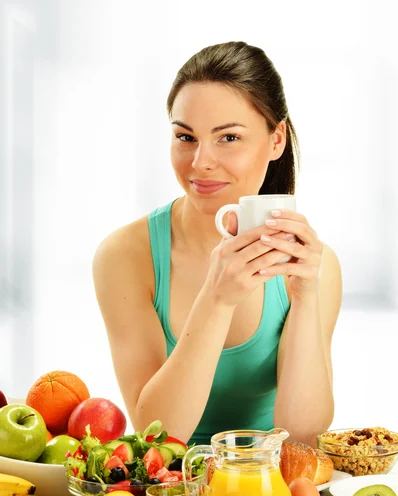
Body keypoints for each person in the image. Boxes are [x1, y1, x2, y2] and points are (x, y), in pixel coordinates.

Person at [93, 41, 342, 449]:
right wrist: (217, 299)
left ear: (276, 139)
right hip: (172, 495)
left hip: (267, 489)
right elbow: (157, 435)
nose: (201, 161)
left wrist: (306, 296)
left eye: (228, 137)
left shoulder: (315, 265)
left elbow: (302, 435)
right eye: (185, 136)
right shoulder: (125, 256)